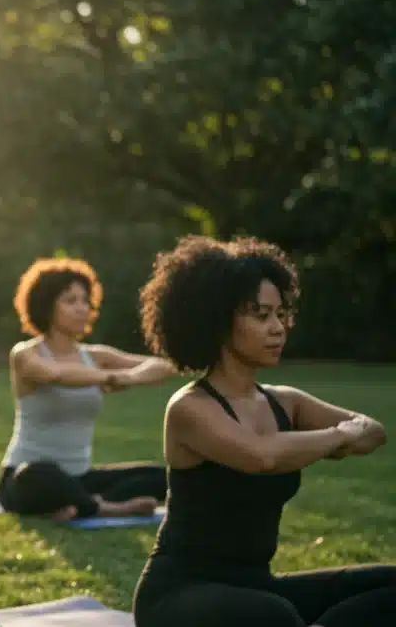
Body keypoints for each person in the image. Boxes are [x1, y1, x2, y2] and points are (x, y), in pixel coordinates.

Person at [132, 235, 396, 627]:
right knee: (276, 617)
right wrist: (339, 437)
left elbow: (374, 431)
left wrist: (341, 434)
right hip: (177, 597)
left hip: (257, 587)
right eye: (260, 315)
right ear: (218, 321)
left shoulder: (285, 402)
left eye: (280, 314)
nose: (278, 329)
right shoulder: (190, 408)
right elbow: (261, 456)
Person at [0, 257, 178, 522]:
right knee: (39, 476)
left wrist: (125, 379)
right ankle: (107, 509)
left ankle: (76, 505)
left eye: (85, 300)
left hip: (80, 477)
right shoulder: (26, 354)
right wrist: (111, 377)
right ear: (46, 306)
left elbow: (163, 366)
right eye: (70, 301)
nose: (82, 308)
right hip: (25, 477)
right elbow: (55, 374)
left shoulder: (95, 356)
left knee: (162, 477)